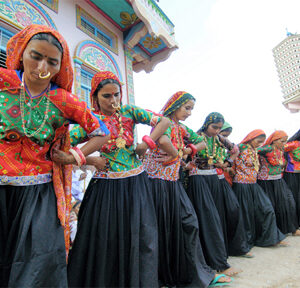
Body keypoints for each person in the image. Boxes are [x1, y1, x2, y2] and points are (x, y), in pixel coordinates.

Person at [0, 24, 110, 287]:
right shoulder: (4, 83)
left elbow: (101, 132)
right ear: (21, 54)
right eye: (36, 56)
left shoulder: (64, 100)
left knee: (35, 264)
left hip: (37, 194)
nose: (42, 66)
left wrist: (74, 157)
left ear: (61, 66)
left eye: (52, 61)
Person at [67, 71, 171, 287]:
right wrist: (90, 159)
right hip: (106, 188)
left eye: (116, 94)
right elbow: (65, 143)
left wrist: (147, 142)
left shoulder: (130, 112)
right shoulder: (91, 119)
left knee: (141, 235)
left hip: (136, 184)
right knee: (106, 239)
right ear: (95, 97)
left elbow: (163, 121)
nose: (113, 101)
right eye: (106, 96)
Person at [143, 91, 232, 287]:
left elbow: (200, 143)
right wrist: (178, 156)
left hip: (172, 183)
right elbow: (163, 141)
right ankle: (161, 276)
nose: (190, 112)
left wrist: (186, 151)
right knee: (160, 229)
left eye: (192, 109)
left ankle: (193, 273)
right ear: (175, 105)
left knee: (188, 223)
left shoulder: (182, 128)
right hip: (155, 184)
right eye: (187, 108)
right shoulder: (162, 121)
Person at [191, 113, 250, 264]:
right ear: (206, 124)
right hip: (200, 180)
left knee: (231, 210)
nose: (216, 131)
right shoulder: (196, 136)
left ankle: (232, 248)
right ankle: (211, 257)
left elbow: (235, 150)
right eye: (214, 127)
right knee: (209, 217)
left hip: (217, 179)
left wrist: (227, 163)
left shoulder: (218, 138)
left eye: (219, 128)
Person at [232, 130, 286, 247]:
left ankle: (270, 238)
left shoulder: (254, 150)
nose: (259, 144)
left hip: (253, 184)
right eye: (258, 141)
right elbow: (229, 155)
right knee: (246, 215)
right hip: (242, 185)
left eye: (261, 143)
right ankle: (244, 244)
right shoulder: (240, 147)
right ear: (251, 138)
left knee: (267, 209)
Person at [257, 130, 300, 235]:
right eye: (282, 141)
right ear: (274, 140)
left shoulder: (280, 150)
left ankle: (291, 229)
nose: (284, 144)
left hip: (278, 180)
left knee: (288, 203)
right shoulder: (267, 148)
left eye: (285, 141)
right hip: (266, 182)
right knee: (271, 207)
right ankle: (273, 232)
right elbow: (254, 150)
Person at [284, 129, 300, 226]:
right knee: (293, 198)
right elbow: (279, 149)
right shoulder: (294, 144)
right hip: (292, 173)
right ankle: (294, 223)